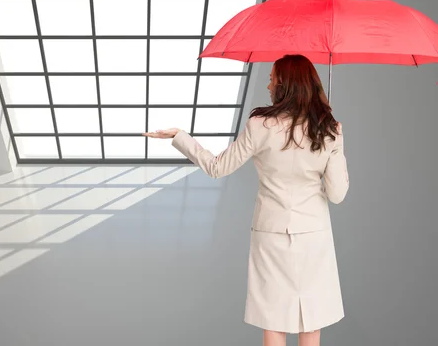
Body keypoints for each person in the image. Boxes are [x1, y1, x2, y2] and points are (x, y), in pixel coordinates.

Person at [143, 54, 349, 346]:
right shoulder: (329, 130)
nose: (268, 84)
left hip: (270, 233)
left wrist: (182, 137)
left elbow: (217, 168)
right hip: (314, 236)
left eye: (272, 77)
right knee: (311, 321)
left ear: (286, 84)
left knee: (273, 321)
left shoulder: (259, 125)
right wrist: (335, 147)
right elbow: (337, 194)